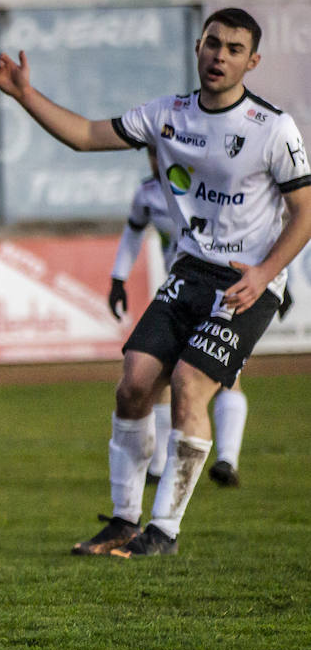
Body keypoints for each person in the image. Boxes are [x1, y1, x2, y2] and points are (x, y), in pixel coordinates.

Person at [0, 7, 311, 558]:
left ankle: (163, 532)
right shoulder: (168, 115)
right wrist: (27, 96)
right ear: (197, 47)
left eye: (235, 49)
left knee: (189, 384)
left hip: (247, 282)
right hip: (189, 271)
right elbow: (88, 136)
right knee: (134, 384)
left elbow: (305, 211)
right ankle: (121, 520)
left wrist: (263, 273)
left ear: (252, 61)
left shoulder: (273, 128)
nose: (220, 55)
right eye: (213, 43)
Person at [109, 146, 251, 488]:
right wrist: (118, 278)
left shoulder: (210, 189)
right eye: (152, 154)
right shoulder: (147, 193)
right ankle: (157, 466)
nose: (158, 160)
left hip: (226, 291)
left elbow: (255, 227)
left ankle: (227, 460)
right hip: (179, 293)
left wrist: (272, 274)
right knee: (161, 374)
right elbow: (133, 231)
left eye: (163, 153)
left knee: (224, 377)